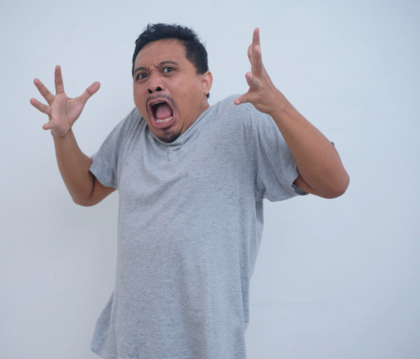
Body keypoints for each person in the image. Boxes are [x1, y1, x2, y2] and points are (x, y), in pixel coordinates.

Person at [31, 23, 349, 359]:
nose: (153, 83)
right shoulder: (134, 128)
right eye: (141, 76)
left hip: (207, 347)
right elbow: (88, 191)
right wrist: (63, 136)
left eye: (168, 70)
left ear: (205, 81)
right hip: (129, 344)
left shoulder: (238, 122)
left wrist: (278, 106)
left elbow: (334, 183)